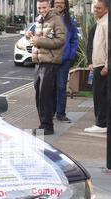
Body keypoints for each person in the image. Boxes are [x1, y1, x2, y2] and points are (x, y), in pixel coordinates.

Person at [26, 0, 66, 135]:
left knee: (45, 95)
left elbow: (61, 40)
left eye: (44, 7)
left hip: (50, 61)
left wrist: (39, 41)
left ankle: (47, 126)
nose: (41, 10)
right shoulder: (39, 20)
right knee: (39, 94)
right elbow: (39, 38)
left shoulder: (56, 19)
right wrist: (30, 37)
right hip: (39, 61)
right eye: (39, 8)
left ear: (49, 7)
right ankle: (44, 123)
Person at [84, 0, 111, 133]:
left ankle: (101, 123)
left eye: (98, 8)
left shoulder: (106, 23)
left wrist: (107, 65)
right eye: (94, 8)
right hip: (99, 64)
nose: (95, 10)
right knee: (106, 95)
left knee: (100, 96)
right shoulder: (101, 22)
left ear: (106, 9)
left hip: (103, 66)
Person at [54, 0, 78, 123]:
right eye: (57, 2)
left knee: (61, 86)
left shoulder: (70, 21)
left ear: (65, 5)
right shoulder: (47, 18)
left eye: (62, 2)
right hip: (50, 60)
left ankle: (60, 113)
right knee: (48, 87)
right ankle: (50, 111)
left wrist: (71, 54)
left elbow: (74, 39)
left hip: (64, 60)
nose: (59, 4)